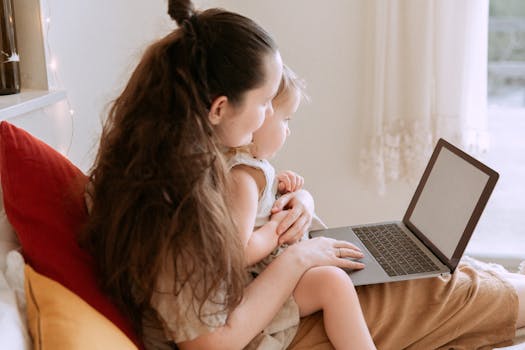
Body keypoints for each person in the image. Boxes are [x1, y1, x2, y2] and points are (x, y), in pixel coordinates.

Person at [80, 0, 525, 349]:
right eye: (265, 103)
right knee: (461, 291)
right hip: (264, 318)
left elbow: (242, 216)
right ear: (218, 108)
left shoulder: (185, 155)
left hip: (271, 286)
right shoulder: (172, 208)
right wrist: (297, 257)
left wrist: (298, 205)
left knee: (457, 272)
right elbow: (211, 341)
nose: (267, 119)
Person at [227, 65, 376, 349]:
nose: (288, 131)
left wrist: (283, 191)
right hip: (261, 281)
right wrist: (276, 228)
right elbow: (240, 250)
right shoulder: (243, 177)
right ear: (259, 118)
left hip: (277, 267)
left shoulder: (251, 168)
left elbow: (252, 213)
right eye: (286, 120)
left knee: (342, 273)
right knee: (334, 284)